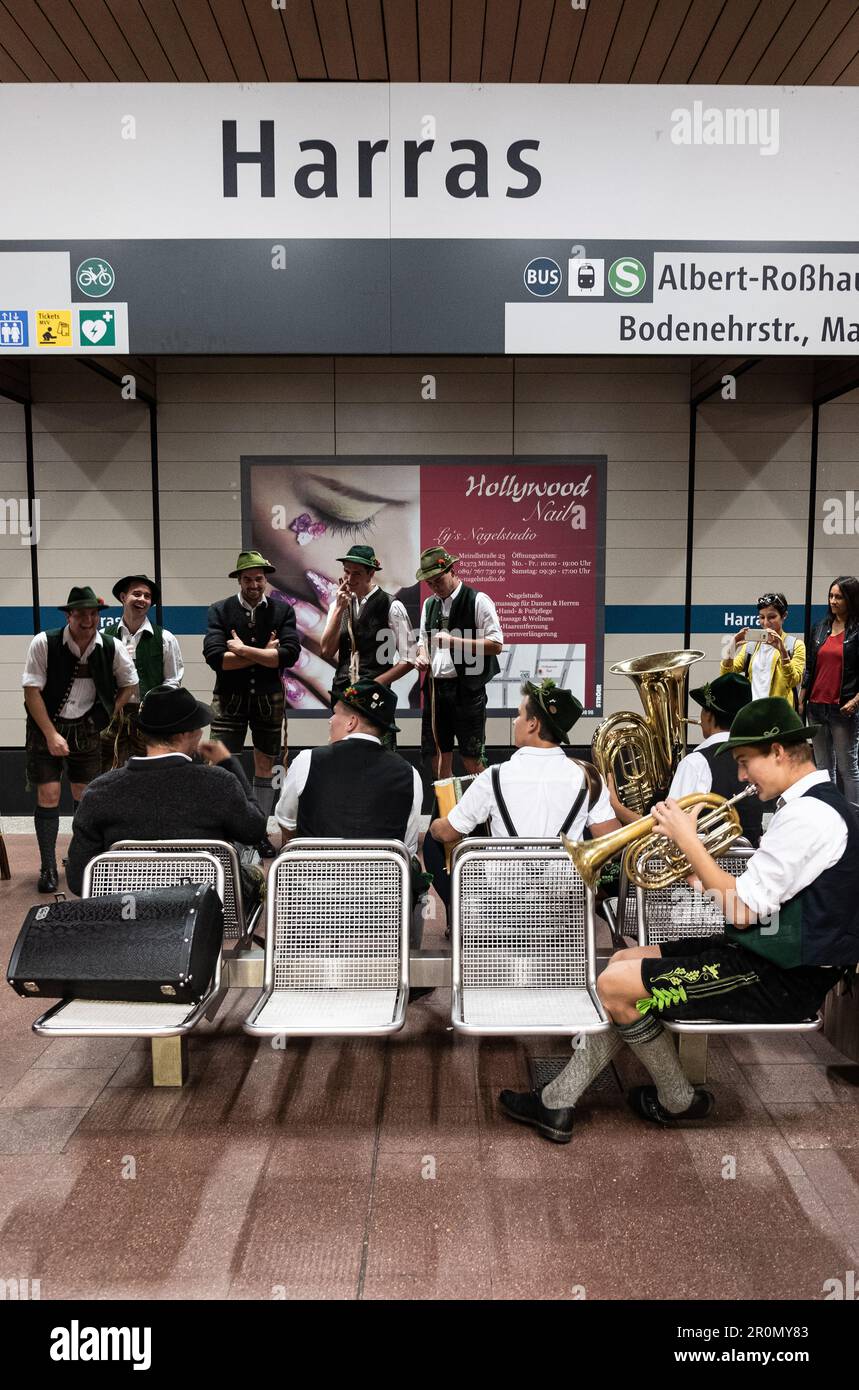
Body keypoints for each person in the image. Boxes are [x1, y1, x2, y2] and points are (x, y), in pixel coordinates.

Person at [498, 697, 858, 1143]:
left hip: (778, 980)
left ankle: (663, 1098)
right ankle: (565, 1100)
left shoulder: (810, 816)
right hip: (759, 955)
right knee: (623, 964)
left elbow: (744, 909)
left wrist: (691, 842)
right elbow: (755, 902)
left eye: (746, 762)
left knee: (616, 989)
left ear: (780, 752)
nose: (742, 776)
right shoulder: (813, 807)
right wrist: (694, 870)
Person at [425, 679, 620, 914]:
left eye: (519, 715)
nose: (515, 721)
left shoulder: (494, 776)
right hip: (564, 914)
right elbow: (610, 845)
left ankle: (456, 917)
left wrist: (435, 826)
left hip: (503, 912)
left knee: (433, 840)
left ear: (533, 724)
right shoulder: (589, 776)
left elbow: (447, 832)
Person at [66, 684, 267, 908]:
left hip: (129, 916)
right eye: (199, 727)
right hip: (204, 916)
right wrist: (229, 763)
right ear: (185, 733)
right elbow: (255, 829)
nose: (201, 733)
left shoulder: (99, 791)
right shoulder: (218, 783)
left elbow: (78, 879)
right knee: (254, 867)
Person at [22, 585, 137, 893]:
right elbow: (31, 692)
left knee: (84, 796)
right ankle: (47, 865)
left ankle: (79, 859)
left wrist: (113, 709)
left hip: (87, 728)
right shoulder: (44, 643)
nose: (88, 620)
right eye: (80, 614)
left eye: (92, 614)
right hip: (45, 726)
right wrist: (51, 734)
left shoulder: (110, 646)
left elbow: (129, 682)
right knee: (47, 795)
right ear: (69, 615)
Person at [204, 550, 301, 857]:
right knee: (218, 762)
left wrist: (243, 649)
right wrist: (264, 655)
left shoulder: (283, 610)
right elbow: (216, 659)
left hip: (268, 698)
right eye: (248, 579)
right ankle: (225, 832)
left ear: (265, 579)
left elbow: (288, 655)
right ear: (239, 579)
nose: (254, 584)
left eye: (259, 578)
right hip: (228, 698)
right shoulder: (219, 609)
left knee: (265, 765)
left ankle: (258, 831)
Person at [608, 672, 764, 845]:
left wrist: (618, 808)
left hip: (704, 868)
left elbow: (667, 832)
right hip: (750, 863)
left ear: (709, 716)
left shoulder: (696, 763)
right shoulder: (759, 761)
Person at [274, 678, 422, 853]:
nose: (330, 720)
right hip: (381, 878)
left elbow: (286, 820)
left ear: (351, 722)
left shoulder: (307, 759)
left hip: (316, 877)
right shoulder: (410, 774)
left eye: (335, 713)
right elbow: (408, 846)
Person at [414, 546, 504, 779]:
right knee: (438, 757)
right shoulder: (429, 604)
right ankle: (448, 813)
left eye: (438, 580)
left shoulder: (477, 600)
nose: (434, 587)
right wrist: (422, 655)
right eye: (429, 583)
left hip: (467, 689)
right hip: (436, 689)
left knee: (472, 759)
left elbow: (496, 644)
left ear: (452, 571)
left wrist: (455, 641)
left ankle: (486, 813)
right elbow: (423, 639)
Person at [318, 544, 415, 744]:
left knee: (379, 757)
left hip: (375, 695)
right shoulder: (338, 605)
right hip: (343, 692)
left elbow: (410, 659)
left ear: (371, 574)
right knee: (342, 755)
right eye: (346, 572)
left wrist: (375, 684)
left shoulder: (391, 605)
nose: (350, 579)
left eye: (357, 573)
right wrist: (338, 610)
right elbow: (327, 651)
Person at [100, 573, 184, 770]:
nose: (142, 600)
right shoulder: (105, 637)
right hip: (115, 716)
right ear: (123, 597)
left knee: (152, 775)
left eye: (147, 596)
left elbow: (173, 681)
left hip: (150, 716)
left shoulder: (165, 638)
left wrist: (153, 701)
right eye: (136, 594)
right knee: (109, 773)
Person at [800, 575, 859, 806]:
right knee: (823, 768)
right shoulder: (820, 628)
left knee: (848, 768)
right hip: (816, 707)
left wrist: (855, 701)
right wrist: (802, 700)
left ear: (851, 599)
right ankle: (830, 815)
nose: (833, 601)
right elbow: (810, 667)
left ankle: (854, 821)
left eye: (839, 597)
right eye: (831, 596)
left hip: (843, 708)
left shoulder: (857, 631)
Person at [720, 591, 805, 705]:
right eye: (761, 617)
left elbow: (793, 681)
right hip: (752, 712)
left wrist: (783, 652)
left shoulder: (795, 645)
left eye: (772, 617)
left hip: (779, 714)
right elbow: (727, 676)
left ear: (784, 616)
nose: (766, 623)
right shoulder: (751, 646)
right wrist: (732, 648)